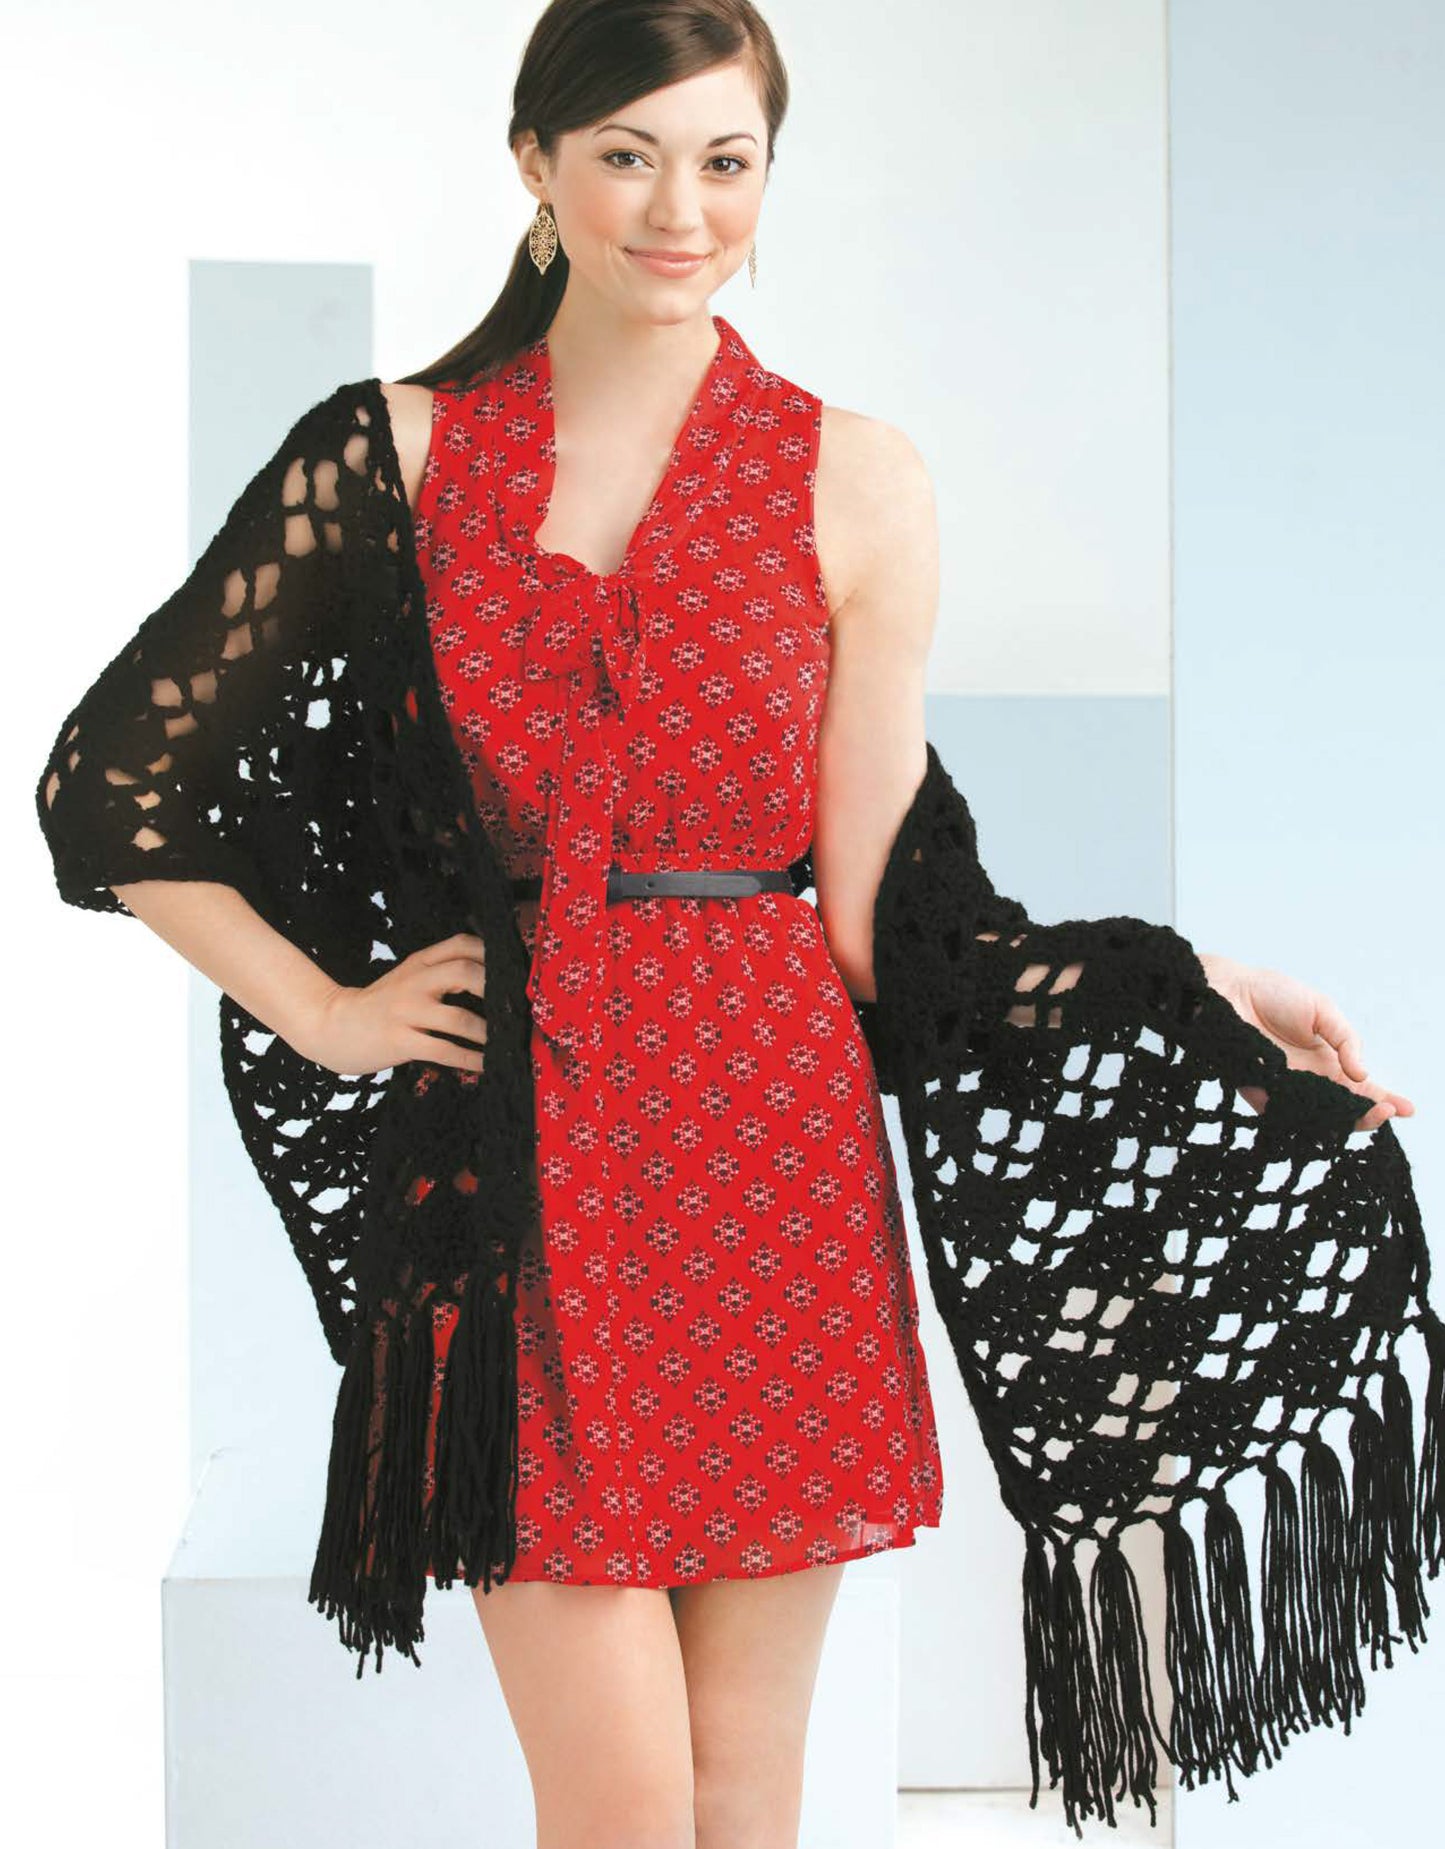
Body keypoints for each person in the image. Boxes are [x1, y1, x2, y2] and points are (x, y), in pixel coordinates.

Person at [42, 3, 1417, 1846]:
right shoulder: (397, 458)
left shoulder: (858, 478)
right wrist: (327, 1008)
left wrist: (1201, 991)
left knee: (739, 1797)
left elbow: (880, 926)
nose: (678, 209)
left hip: (773, 1163)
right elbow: (114, 784)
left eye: (724, 160)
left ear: (767, 176)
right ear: (532, 167)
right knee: (615, 1809)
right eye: (626, 154)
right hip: (520, 1176)